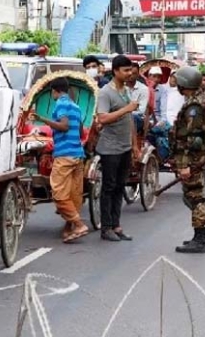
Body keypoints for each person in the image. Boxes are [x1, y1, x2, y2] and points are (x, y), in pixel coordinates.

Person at [31, 77, 89, 243]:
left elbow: (63, 126)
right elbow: (79, 132)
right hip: (77, 154)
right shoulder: (76, 107)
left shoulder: (61, 104)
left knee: (58, 193)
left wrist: (44, 120)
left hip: (64, 155)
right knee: (74, 194)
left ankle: (77, 224)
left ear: (54, 91)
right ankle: (69, 227)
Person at [170, 66, 205, 254]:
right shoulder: (199, 100)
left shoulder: (194, 108)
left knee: (195, 197)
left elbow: (189, 138)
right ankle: (203, 237)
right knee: (195, 195)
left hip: (193, 158)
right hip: (198, 157)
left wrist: (184, 165)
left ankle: (200, 238)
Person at [95, 55, 137, 242]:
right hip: (110, 148)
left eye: (130, 70)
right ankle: (106, 228)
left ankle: (116, 225)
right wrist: (126, 109)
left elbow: (130, 120)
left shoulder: (125, 91)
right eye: (126, 70)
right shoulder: (105, 93)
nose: (129, 73)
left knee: (120, 186)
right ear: (115, 71)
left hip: (125, 146)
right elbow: (102, 118)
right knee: (109, 187)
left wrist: (134, 144)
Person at [127, 62, 150, 134]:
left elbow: (141, 111)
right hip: (122, 117)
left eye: (134, 73)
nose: (131, 75)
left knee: (132, 118)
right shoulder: (120, 87)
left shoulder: (143, 89)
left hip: (137, 119)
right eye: (129, 73)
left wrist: (125, 110)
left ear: (138, 74)